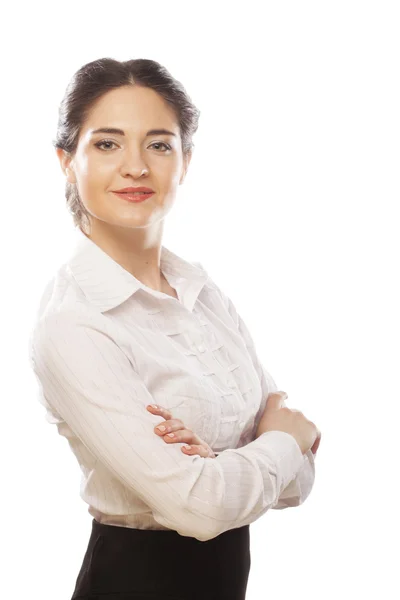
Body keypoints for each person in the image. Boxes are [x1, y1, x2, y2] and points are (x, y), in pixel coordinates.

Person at [28, 57, 320, 600]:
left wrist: (228, 462)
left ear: (185, 161)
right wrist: (281, 440)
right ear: (68, 161)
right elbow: (205, 508)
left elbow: (298, 485)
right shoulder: (74, 321)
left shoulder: (203, 295)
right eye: (108, 144)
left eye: (159, 144)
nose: (136, 166)